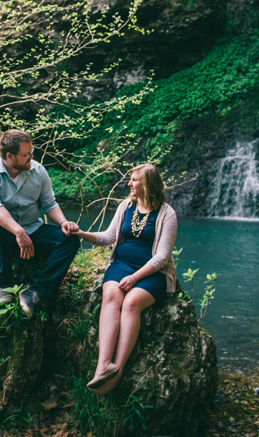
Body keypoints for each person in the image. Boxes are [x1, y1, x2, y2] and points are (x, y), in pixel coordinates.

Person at [70, 163, 177, 394]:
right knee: (111, 295)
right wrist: (81, 234)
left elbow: (162, 256)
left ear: (147, 183)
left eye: (134, 180)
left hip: (153, 273)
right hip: (121, 265)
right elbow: (108, 237)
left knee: (132, 303)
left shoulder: (167, 213)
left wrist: (135, 277)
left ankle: (117, 369)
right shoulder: (125, 207)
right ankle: (103, 366)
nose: (129, 183)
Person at [0, 129, 81, 318]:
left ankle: (36, 292)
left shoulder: (38, 171)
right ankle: (4, 285)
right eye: (26, 154)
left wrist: (64, 222)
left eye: (32, 152)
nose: (31, 157)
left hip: (32, 227)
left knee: (70, 240)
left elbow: (49, 204)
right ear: (9, 156)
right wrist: (18, 231)